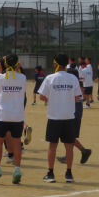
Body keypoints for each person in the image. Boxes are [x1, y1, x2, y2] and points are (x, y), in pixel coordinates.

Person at [38, 53, 81, 183]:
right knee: (69, 146)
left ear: (55, 64)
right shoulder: (72, 78)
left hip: (54, 117)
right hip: (69, 116)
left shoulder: (50, 78)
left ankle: (50, 173)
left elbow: (41, 96)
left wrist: (51, 100)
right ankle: (69, 173)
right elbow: (77, 96)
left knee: (53, 145)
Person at [0, 54, 25, 184]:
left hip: (2, 115)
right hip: (17, 116)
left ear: (5, 64)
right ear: (18, 64)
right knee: (17, 142)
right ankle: (17, 169)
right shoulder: (23, 77)